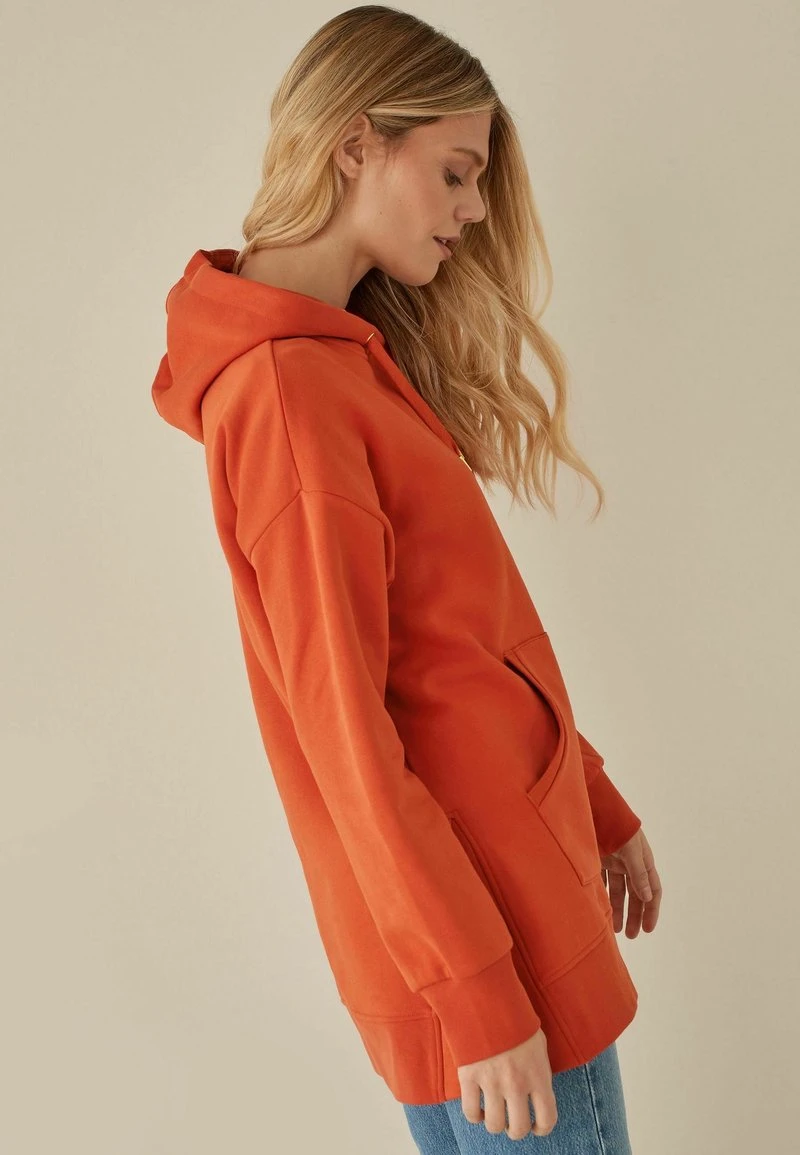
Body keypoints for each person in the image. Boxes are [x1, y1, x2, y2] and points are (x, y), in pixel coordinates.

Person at [150, 5, 662, 1150]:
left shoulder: (338, 368)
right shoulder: (290, 395)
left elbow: (460, 651)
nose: (473, 210)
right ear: (354, 146)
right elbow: (347, 734)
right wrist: (477, 994)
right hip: (491, 944)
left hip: (499, 913)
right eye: (454, 172)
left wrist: (594, 804)